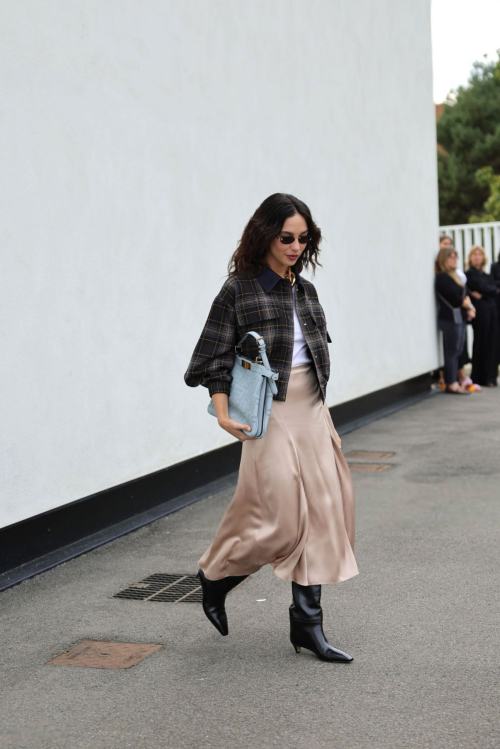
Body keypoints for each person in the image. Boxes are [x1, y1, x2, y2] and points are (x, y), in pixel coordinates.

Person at [184, 193, 358, 663]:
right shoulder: (238, 290)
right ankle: (216, 577)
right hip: (272, 414)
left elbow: (315, 353)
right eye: (286, 237)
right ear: (264, 235)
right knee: (282, 521)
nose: (295, 246)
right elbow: (211, 358)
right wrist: (222, 412)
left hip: (313, 410)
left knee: (322, 514)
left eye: (303, 239)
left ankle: (307, 626)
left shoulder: (306, 290)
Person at [435, 246, 476, 394]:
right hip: (450, 319)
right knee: (452, 352)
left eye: (455, 257)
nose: (454, 260)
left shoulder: (455, 276)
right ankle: (451, 382)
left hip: (459, 318)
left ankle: (454, 381)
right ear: (443, 259)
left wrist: (468, 305)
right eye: (451, 257)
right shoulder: (443, 277)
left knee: (458, 351)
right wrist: (465, 303)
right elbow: (454, 297)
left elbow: (465, 293)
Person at [465, 246, 500, 387]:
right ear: (470, 257)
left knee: (493, 344)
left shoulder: (486, 275)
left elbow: (491, 289)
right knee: (481, 342)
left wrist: (484, 292)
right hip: (480, 314)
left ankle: (490, 377)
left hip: (492, 312)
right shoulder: (469, 274)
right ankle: (478, 376)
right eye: (474, 254)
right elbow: (486, 288)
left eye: (479, 254)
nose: (477, 257)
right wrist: (488, 291)